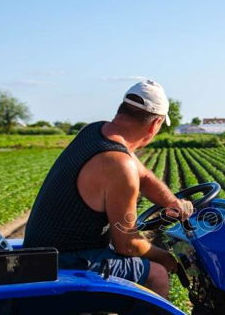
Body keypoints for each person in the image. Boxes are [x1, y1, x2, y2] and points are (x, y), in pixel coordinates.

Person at [23, 79, 192, 299]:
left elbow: (145, 176)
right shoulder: (119, 165)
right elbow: (127, 245)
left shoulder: (96, 131)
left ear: (122, 110)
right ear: (155, 124)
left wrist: (172, 202)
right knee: (157, 274)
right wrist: (168, 259)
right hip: (67, 260)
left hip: (46, 252)